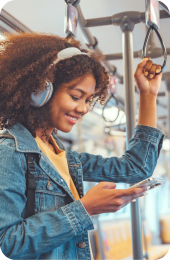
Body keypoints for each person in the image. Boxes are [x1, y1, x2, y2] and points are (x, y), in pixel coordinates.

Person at [0, 32, 164, 260]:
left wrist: (147, 95)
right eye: (76, 96)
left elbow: (135, 168)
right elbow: (11, 242)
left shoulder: (63, 156)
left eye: (88, 100)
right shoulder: (9, 153)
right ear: (39, 91)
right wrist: (85, 208)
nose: (84, 108)